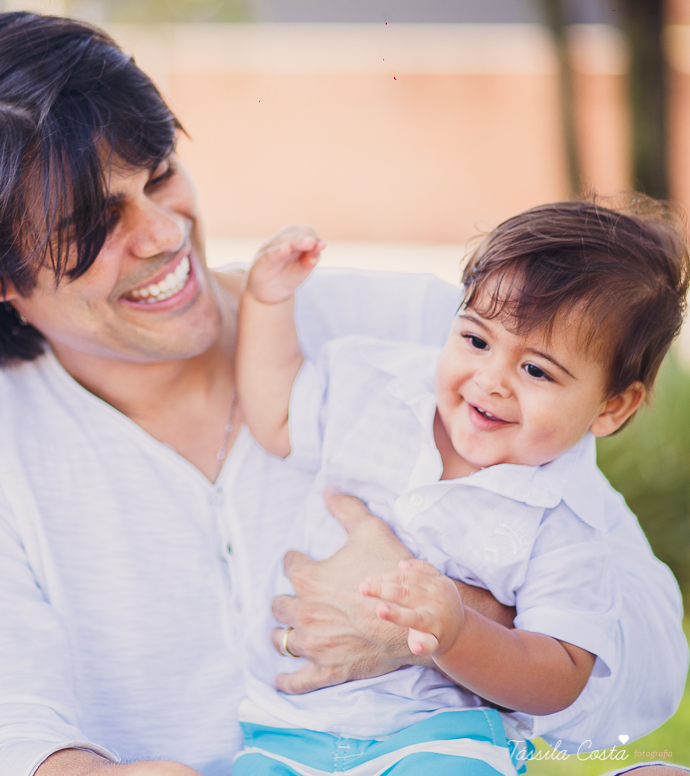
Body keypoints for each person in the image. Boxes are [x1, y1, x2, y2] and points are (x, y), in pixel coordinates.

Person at [0, 12, 687, 776]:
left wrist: (445, 624)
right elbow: (0, 740)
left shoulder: (438, 346)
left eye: (160, 176)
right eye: (93, 227)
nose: (164, 233)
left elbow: (648, 668)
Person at [231, 203, 688, 775]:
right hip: (289, 728)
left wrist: (458, 633)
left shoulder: (566, 518)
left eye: (537, 371)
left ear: (611, 407)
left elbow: (562, 673)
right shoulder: (375, 384)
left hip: (443, 739)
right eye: (476, 339)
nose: (490, 379)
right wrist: (267, 301)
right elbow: (276, 416)